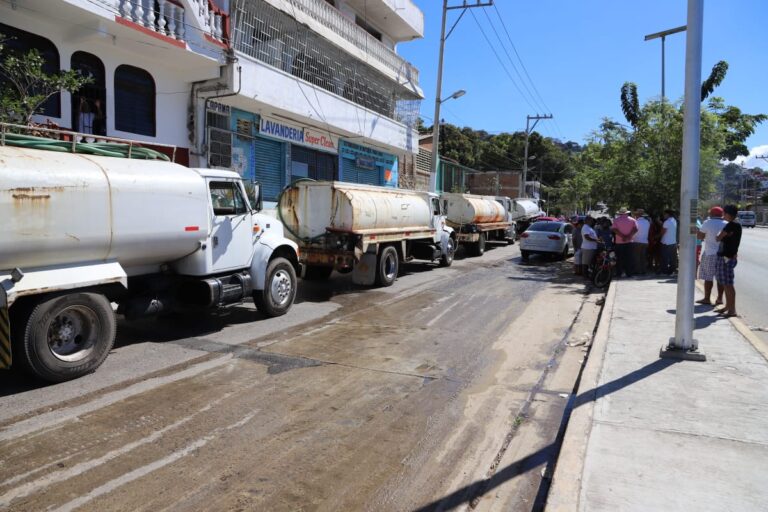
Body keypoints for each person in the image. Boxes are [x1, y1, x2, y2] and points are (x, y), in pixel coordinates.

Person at [695, 207, 727, 306]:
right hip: (723, 254)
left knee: (708, 278)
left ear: (711, 214)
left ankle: (707, 298)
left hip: (710, 253)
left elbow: (700, 237)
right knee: (720, 278)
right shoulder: (726, 224)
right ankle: (719, 299)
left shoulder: (707, 223)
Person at [714, 205, 742, 317]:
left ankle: (732, 310)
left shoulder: (730, 225)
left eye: (724, 213)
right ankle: (728, 307)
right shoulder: (736, 225)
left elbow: (718, 238)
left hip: (726, 257)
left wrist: (721, 235)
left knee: (728, 284)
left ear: (728, 214)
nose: (723, 215)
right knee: (726, 284)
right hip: (729, 257)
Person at [611, 207, 637, 278]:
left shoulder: (616, 220)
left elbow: (614, 229)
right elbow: (636, 229)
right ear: (627, 213)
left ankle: (619, 273)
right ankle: (629, 273)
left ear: (620, 213)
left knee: (619, 258)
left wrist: (622, 236)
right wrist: (628, 236)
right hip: (630, 241)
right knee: (629, 258)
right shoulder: (633, 220)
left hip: (619, 242)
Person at [659, 209, 678, 275]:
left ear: (668, 214)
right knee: (672, 258)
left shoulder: (666, 222)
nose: (664, 215)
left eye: (664, 214)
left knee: (664, 257)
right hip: (673, 242)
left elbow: (663, 232)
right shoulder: (674, 221)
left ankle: (664, 271)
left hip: (666, 242)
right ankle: (671, 270)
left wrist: (657, 237)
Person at [632, 209, 650, 275]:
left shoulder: (636, 222)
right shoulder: (647, 222)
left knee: (637, 257)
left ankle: (638, 271)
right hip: (645, 241)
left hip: (637, 241)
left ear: (637, 215)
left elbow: (634, 231)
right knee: (643, 257)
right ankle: (644, 270)